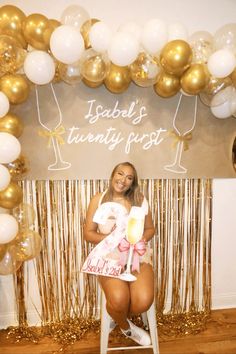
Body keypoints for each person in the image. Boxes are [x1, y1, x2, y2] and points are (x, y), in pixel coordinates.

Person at [83, 161, 155, 346]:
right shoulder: (98, 200)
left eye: (129, 177)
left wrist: (137, 240)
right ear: (113, 175)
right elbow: (88, 234)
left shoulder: (139, 200)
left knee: (142, 302)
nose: (123, 180)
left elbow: (150, 229)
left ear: (133, 182)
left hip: (136, 254)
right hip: (108, 255)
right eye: (120, 174)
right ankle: (126, 327)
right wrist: (113, 237)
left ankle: (117, 314)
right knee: (118, 299)